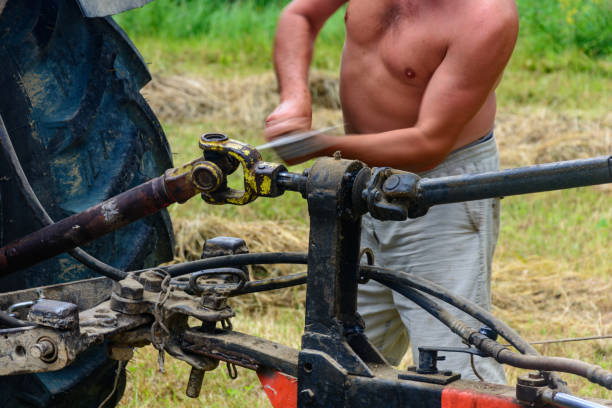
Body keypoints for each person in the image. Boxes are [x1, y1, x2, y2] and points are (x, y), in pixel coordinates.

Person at [264, 0, 518, 383]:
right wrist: (294, 98)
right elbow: (300, 15)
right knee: (342, 357)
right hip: (359, 182)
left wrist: (317, 145)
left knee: (454, 367)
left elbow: (428, 143)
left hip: (439, 190)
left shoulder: (486, 16)